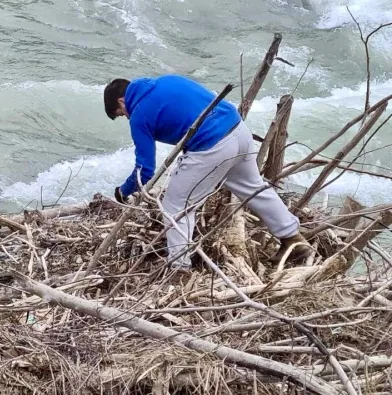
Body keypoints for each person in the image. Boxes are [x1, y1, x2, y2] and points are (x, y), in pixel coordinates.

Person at [103, 74, 309, 273]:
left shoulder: (139, 114)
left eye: (121, 112)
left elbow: (145, 168)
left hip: (211, 145)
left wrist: (124, 191)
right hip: (238, 130)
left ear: (122, 100)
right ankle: (293, 240)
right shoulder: (169, 80)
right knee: (253, 186)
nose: (126, 116)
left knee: (176, 206)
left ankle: (179, 268)